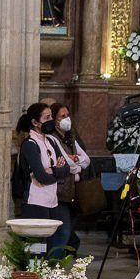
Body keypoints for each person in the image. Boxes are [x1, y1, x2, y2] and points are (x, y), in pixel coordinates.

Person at [14, 102, 79, 259]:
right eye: (47, 117)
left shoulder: (50, 141)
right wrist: (55, 170)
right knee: (35, 249)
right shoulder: (30, 144)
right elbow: (41, 176)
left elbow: (66, 169)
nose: (51, 121)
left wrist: (53, 170)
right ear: (35, 123)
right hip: (35, 201)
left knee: (51, 246)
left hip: (52, 200)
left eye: (51, 116)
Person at [49, 103, 91, 254]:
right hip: (59, 191)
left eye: (67, 115)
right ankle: (53, 267)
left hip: (72, 193)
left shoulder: (70, 137)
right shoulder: (52, 138)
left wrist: (75, 163)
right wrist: (75, 165)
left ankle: (57, 267)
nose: (67, 119)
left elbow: (86, 160)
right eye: (62, 116)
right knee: (62, 233)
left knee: (67, 232)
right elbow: (67, 164)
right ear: (54, 119)